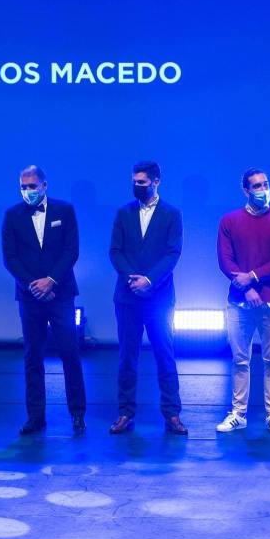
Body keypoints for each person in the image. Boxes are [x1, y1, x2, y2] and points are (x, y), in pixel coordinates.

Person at [1, 165, 87, 436]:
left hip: (61, 294)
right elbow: (10, 258)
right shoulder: (12, 215)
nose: (28, 191)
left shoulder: (65, 210)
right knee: (32, 357)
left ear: (44, 186)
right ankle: (35, 417)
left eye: (32, 186)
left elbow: (71, 251)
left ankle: (77, 413)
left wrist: (51, 281)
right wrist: (32, 285)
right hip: (29, 297)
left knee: (69, 353)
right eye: (23, 187)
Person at [109, 161, 187, 435]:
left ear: (156, 182)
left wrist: (150, 280)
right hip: (127, 296)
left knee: (165, 355)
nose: (136, 186)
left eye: (141, 182)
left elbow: (172, 253)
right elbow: (115, 251)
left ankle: (172, 414)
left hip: (159, 298)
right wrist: (133, 279)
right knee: (126, 357)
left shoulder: (172, 214)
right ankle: (125, 413)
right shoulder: (123, 213)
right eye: (134, 182)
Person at [216, 168, 270, 435]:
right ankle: (238, 414)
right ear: (246, 190)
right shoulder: (230, 221)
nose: (263, 190)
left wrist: (252, 277)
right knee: (240, 360)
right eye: (257, 186)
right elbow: (225, 260)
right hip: (239, 303)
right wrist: (247, 289)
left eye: (266, 184)